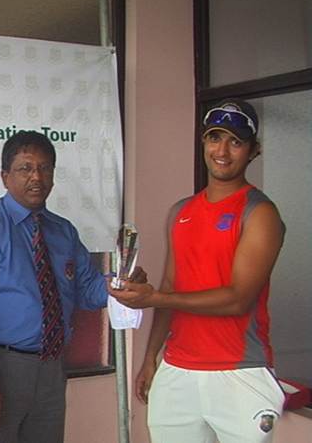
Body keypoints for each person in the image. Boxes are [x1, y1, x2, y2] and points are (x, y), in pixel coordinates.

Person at [0, 130, 145, 443]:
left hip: (50, 369)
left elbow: (87, 290)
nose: (37, 177)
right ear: (4, 176)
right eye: (25, 168)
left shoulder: (62, 231)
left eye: (45, 168)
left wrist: (119, 283)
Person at [111, 99, 286, 443]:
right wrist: (151, 357)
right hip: (179, 369)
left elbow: (238, 299)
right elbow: (171, 286)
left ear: (253, 150)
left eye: (236, 141)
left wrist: (155, 297)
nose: (222, 150)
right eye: (214, 138)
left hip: (239, 372)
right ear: (204, 142)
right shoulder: (182, 211)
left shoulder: (260, 212)